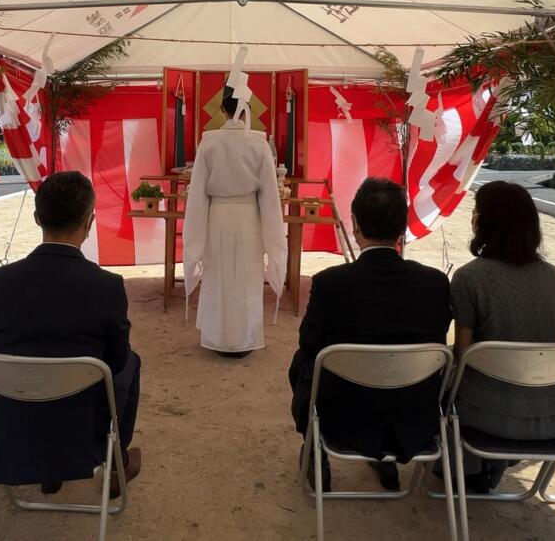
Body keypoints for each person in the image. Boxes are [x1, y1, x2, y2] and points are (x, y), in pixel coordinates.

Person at [0, 171, 142, 496]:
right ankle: (115, 460)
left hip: (15, 410)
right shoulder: (107, 286)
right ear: (90, 222)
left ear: (37, 218)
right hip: (81, 414)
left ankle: (50, 470)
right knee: (131, 363)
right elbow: (117, 357)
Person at [288, 177, 452, 492]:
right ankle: (385, 458)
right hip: (413, 416)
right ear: (403, 229)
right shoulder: (434, 283)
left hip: (343, 416)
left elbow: (308, 343)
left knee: (303, 360)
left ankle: (315, 443)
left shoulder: (330, 283)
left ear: (355, 225)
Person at [450, 180, 555, 493]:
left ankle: (469, 466)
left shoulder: (469, 278)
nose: (473, 217)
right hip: (554, 415)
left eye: (476, 211)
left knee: (441, 369)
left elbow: (463, 356)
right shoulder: (554, 277)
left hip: (490, 417)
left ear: (485, 222)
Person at [182, 86, 286, 357]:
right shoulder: (258, 141)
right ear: (248, 108)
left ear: (222, 108)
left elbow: (198, 192)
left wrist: (195, 235)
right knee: (246, 277)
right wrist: (273, 236)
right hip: (248, 216)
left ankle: (218, 337)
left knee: (218, 276)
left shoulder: (209, 140)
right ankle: (245, 337)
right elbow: (270, 195)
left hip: (217, 216)